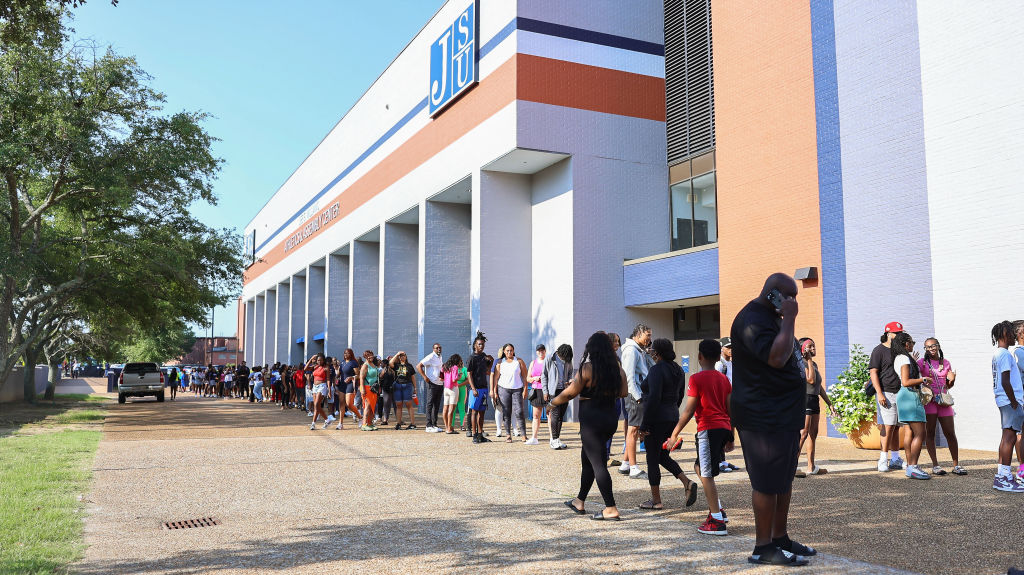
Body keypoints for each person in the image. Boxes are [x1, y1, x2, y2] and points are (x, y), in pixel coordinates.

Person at [731, 273, 814, 566]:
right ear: (773, 294)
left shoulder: (773, 317)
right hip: (762, 415)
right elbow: (776, 358)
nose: (793, 302)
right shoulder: (751, 319)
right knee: (767, 482)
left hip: (783, 414)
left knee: (783, 479)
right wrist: (790, 318)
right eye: (789, 296)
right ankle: (762, 547)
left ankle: (780, 537)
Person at [553, 331, 628, 521]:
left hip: (591, 420)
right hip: (610, 418)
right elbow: (623, 392)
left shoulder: (587, 368)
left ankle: (610, 508)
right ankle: (580, 501)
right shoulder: (617, 369)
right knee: (588, 459)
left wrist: (552, 403)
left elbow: (570, 393)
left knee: (598, 464)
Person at [667, 338, 734, 536]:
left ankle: (716, 521)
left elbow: (689, 410)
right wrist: (731, 436)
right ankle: (718, 509)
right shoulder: (724, 379)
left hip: (708, 429)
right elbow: (731, 409)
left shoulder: (696, 379)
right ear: (717, 356)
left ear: (699, 356)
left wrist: (674, 433)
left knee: (706, 474)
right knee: (699, 467)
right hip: (722, 428)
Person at [636, 338, 698, 511]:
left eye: (652, 350)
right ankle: (687, 483)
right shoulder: (678, 370)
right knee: (662, 456)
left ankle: (656, 500)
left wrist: (644, 425)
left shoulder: (656, 370)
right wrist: (671, 413)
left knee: (652, 459)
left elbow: (654, 398)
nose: (651, 353)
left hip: (655, 418)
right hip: (671, 416)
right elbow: (679, 396)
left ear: (658, 353)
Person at [919, 338, 966, 476]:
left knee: (950, 433)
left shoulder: (946, 363)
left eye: (934, 345)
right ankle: (935, 465)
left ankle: (956, 465)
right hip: (930, 401)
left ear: (938, 346)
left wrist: (952, 379)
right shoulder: (922, 363)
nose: (931, 348)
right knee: (931, 433)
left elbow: (948, 385)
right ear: (925, 349)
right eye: (928, 347)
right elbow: (915, 377)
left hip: (944, 401)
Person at [869, 322, 910, 473]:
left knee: (896, 426)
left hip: (900, 392)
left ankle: (895, 458)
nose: (899, 335)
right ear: (888, 334)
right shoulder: (878, 350)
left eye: (900, 333)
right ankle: (882, 460)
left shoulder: (899, 350)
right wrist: (879, 393)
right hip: (886, 392)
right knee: (887, 426)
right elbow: (873, 372)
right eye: (896, 333)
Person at [892, 332, 932, 479]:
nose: (913, 344)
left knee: (910, 432)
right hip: (910, 395)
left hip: (904, 396)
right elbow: (906, 381)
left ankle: (910, 466)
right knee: (921, 433)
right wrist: (923, 379)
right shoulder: (903, 358)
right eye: (912, 342)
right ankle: (912, 466)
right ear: (905, 344)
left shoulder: (900, 358)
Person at [794, 338, 836, 477]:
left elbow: (818, 385)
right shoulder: (801, 363)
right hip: (805, 399)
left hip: (814, 399)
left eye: (814, 345)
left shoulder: (814, 364)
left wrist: (829, 403)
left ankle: (811, 467)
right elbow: (810, 379)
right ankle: (791, 467)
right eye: (810, 346)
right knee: (803, 434)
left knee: (813, 434)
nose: (813, 348)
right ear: (803, 349)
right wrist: (809, 360)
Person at [991, 321, 1024, 492]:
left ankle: (1002, 475)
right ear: (1005, 335)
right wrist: (1014, 402)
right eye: (1011, 333)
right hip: (1009, 401)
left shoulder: (999, 353)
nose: (1014, 336)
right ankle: (1004, 478)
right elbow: (1005, 381)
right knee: (1010, 438)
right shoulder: (1004, 354)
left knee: (1006, 437)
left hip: (1004, 400)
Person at [620, 323, 654, 479]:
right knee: (633, 430)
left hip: (637, 394)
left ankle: (626, 463)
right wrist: (638, 397)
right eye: (647, 335)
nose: (649, 338)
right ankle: (634, 468)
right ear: (638, 334)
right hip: (635, 395)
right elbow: (629, 377)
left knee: (633, 429)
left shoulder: (638, 350)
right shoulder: (631, 351)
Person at [493, 343, 529, 444]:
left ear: (513, 351)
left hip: (517, 389)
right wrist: (495, 391)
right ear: (504, 351)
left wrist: (525, 389)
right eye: (507, 350)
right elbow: (496, 378)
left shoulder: (519, 361)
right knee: (506, 412)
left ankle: (523, 435)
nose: (509, 352)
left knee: (519, 412)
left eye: (511, 350)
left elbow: (524, 376)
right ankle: (508, 435)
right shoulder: (500, 363)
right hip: (503, 389)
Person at [714, 337, 740, 473]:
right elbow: (716, 384)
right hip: (722, 402)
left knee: (728, 430)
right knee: (722, 431)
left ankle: (723, 460)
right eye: (728, 347)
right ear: (721, 348)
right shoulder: (720, 364)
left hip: (732, 400)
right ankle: (718, 462)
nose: (731, 350)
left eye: (732, 347)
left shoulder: (731, 363)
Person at [543, 344, 574, 450]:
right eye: (564, 357)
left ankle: (557, 439)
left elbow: (570, 373)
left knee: (561, 416)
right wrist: (545, 391)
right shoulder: (550, 359)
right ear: (560, 353)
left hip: (565, 391)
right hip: (553, 391)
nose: (565, 359)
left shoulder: (568, 360)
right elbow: (544, 375)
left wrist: (570, 380)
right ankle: (553, 439)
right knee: (555, 415)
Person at [466, 332, 492, 443]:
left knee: (482, 412)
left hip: (484, 388)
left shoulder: (483, 356)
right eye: (479, 344)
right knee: (474, 412)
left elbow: (487, 372)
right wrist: (473, 388)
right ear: (475, 345)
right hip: (475, 390)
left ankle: (481, 434)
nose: (481, 346)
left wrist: (490, 362)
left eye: (483, 344)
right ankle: (474, 435)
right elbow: (469, 374)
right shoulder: (472, 358)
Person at [417, 343, 444, 433]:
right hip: (432, 383)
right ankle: (428, 425)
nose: (439, 349)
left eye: (440, 347)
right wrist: (425, 377)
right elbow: (419, 366)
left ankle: (434, 424)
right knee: (430, 403)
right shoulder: (430, 357)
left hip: (440, 383)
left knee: (437, 404)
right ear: (433, 349)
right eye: (437, 348)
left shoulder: (440, 357)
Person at [304, 354, 335, 430]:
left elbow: (328, 379)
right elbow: (305, 368)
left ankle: (316, 423)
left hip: (322, 386)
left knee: (317, 403)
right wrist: (311, 359)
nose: (319, 361)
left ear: (323, 360)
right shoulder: (315, 367)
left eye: (321, 360)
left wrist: (329, 390)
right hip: (315, 386)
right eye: (318, 360)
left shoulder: (326, 367)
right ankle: (324, 421)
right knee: (316, 406)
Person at [525, 345, 547, 445]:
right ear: (536, 352)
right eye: (539, 350)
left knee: (550, 415)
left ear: (545, 351)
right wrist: (535, 378)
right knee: (535, 416)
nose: (540, 352)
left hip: (547, 391)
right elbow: (528, 378)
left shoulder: (548, 362)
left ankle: (553, 438)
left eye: (542, 350)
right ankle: (534, 437)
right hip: (536, 391)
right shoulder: (533, 363)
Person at [390, 352, 417, 430]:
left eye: (403, 355)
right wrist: (397, 354)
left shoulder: (409, 366)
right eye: (400, 356)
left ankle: (413, 423)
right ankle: (398, 423)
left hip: (407, 385)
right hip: (398, 386)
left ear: (406, 356)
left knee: (409, 404)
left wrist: (415, 388)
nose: (402, 357)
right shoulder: (396, 365)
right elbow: (390, 363)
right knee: (398, 405)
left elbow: (413, 378)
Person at [440, 354, 463, 434]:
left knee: (445, 409)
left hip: (446, 388)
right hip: (453, 389)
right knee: (451, 410)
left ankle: (447, 427)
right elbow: (454, 379)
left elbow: (441, 375)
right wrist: (459, 376)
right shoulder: (455, 367)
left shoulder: (445, 366)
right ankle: (449, 429)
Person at [359, 351, 380, 431]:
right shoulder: (365, 366)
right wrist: (362, 389)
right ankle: (364, 424)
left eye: (372, 355)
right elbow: (361, 378)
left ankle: (370, 423)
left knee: (372, 407)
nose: (371, 357)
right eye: (369, 355)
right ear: (366, 357)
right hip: (367, 387)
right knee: (367, 406)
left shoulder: (373, 365)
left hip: (374, 388)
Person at [339, 349, 361, 424]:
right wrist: (336, 378)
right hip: (342, 384)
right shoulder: (342, 362)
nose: (346, 354)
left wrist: (351, 377)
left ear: (351, 354)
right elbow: (339, 373)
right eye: (345, 353)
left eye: (348, 353)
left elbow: (358, 375)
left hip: (350, 384)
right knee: (341, 403)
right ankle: (340, 423)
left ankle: (360, 417)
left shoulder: (353, 363)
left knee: (349, 404)